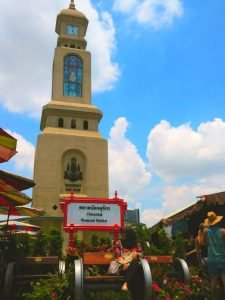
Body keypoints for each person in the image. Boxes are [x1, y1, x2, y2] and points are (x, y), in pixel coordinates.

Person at [199, 211, 225, 299]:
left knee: (213, 282)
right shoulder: (223, 231)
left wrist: (201, 232)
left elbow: (202, 243)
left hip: (212, 259)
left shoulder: (206, 231)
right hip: (222, 258)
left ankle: (212, 298)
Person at [113, 227, 143, 298]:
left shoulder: (136, 244)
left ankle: (126, 283)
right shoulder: (119, 243)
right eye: (122, 233)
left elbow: (141, 254)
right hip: (123, 266)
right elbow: (118, 256)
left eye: (124, 233)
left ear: (129, 234)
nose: (122, 235)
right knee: (137, 275)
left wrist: (137, 254)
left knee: (135, 264)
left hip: (133, 266)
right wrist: (124, 263)